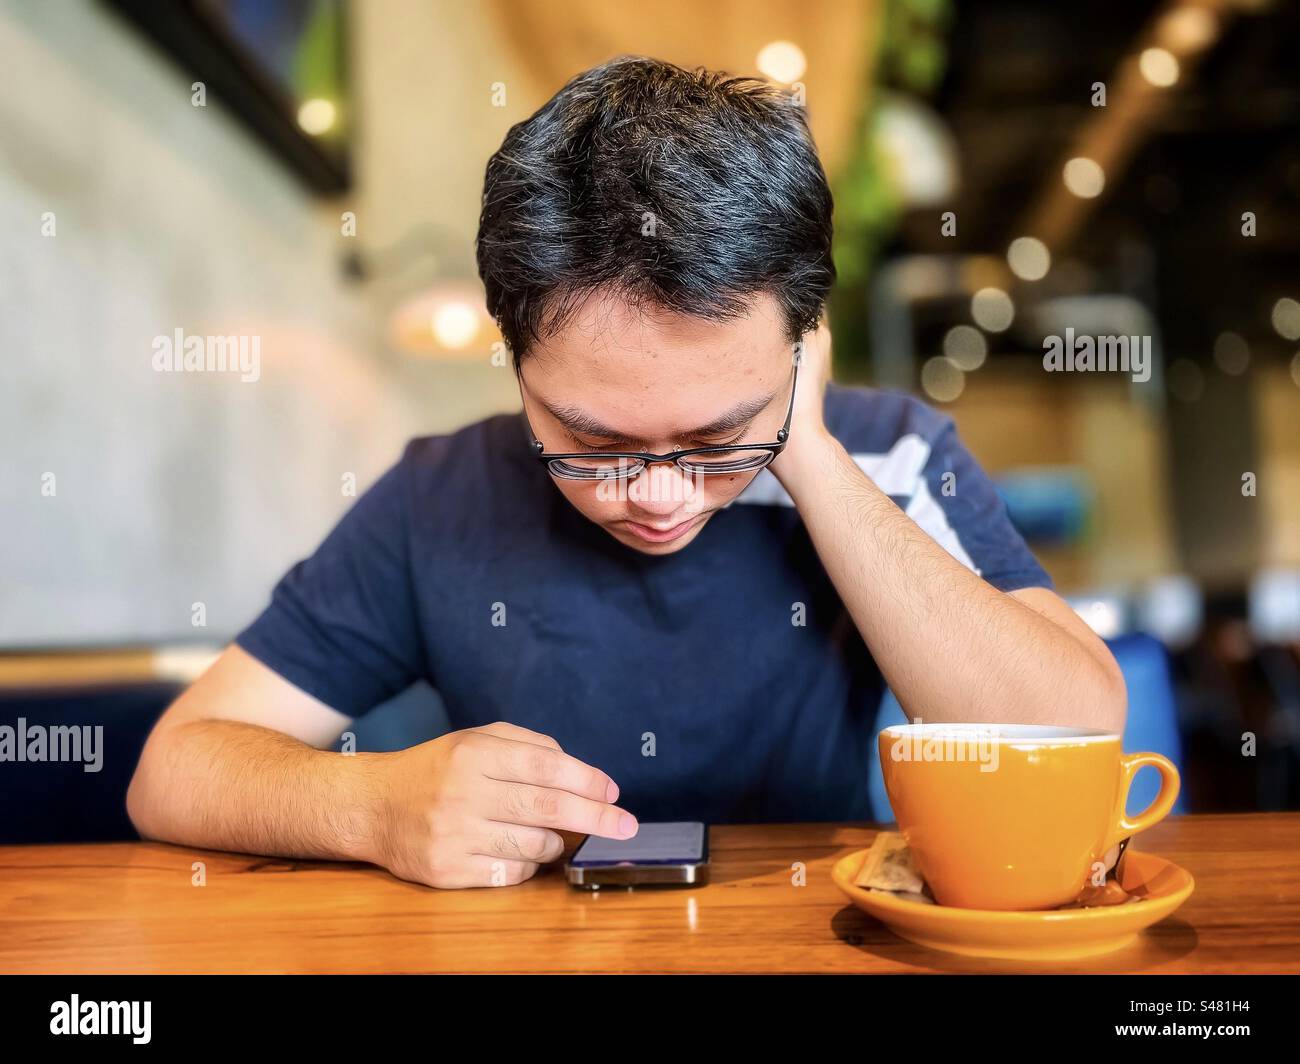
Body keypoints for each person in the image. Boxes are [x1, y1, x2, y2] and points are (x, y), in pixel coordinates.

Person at [127, 57, 1124, 889]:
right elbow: (175, 765)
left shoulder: (889, 453)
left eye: (717, 435)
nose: (656, 493)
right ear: (516, 361)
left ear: (800, 343)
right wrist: (372, 804)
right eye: (591, 439)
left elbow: (1077, 726)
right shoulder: (441, 494)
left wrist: (806, 449)